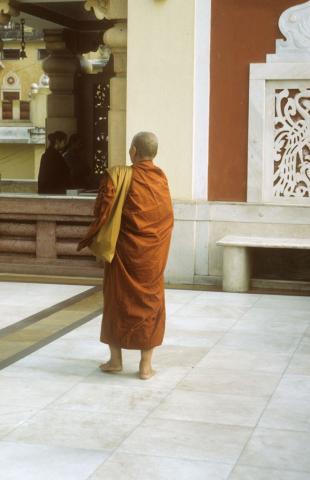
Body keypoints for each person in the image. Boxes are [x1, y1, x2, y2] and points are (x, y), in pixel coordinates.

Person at [78, 132, 174, 379]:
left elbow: (102, 209)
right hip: (151, 257)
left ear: (133, 151)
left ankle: (115, 360)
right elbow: (166, 219)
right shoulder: (161, 179)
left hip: (123, 253)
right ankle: (145, 366)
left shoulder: (118, 176)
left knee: (117, 301)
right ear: (154, 153)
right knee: (150, 303)